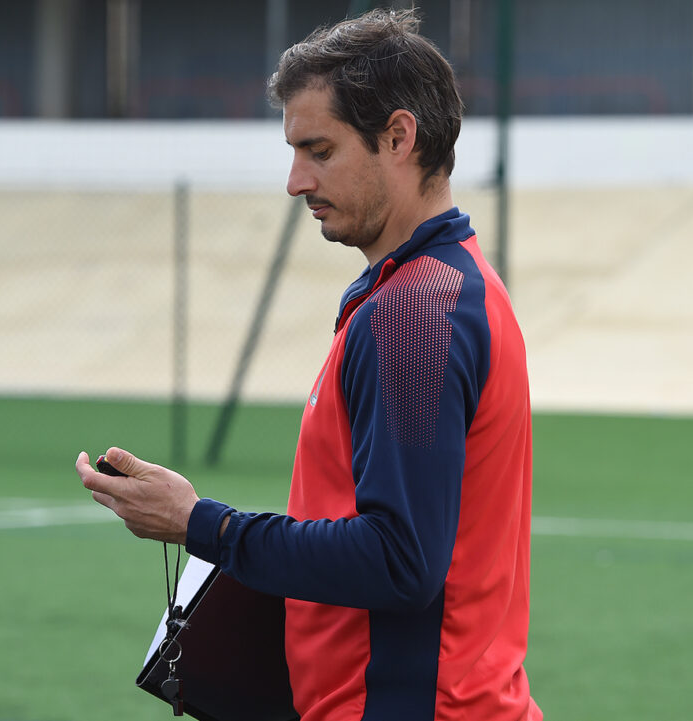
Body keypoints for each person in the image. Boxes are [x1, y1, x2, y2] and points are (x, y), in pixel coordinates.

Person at [75, 9, 541, 721]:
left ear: (398, 136)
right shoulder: (440, 287)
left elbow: (399, 560)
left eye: (319, 150)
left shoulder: (415, 313)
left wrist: (204, 525)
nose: (296, 181)